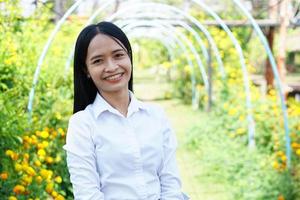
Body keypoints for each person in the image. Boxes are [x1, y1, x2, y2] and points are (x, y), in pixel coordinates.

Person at [63, 21, 189, 200]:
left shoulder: (156, 115)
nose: (112, 67)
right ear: (86, 70)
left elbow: (170, 183)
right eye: (98, 60)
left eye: (118, 55)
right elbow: (87, 195)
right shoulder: (83, 124)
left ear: (129, 57)